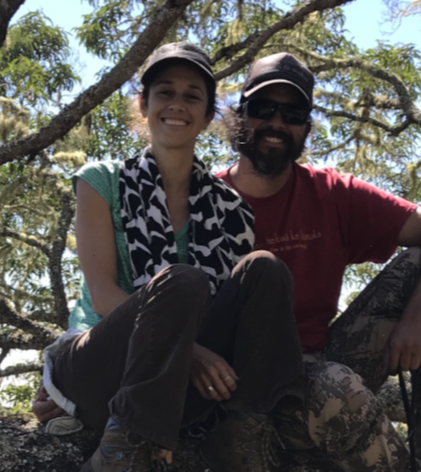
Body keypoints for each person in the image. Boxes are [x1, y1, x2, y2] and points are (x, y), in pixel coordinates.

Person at [217, 52, 421, 472]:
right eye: (264, 109)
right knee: (332, 384)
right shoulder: (208, 202)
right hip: (250, 392)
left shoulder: (330, 192)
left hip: (327, 360)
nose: (277, 123)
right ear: (240, 114)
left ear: (306, 127)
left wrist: (417, 319)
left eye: (293, 114)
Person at [32, 43, 305, 472]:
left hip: (176, 391)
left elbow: (232, 322)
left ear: (209, 114)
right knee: (182, 279)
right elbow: (102, 295)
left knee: (265, 267)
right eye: (165, 92)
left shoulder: (232, 210)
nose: (177, 104)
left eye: (192, 96)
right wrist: (190, 352)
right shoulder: (101, 181)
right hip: (97, 367)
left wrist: (193, 356)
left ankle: (244, 431)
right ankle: (123, 450)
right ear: (144, 104)